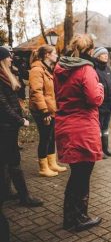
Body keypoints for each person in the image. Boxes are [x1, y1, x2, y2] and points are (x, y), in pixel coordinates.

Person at [54, 34, 104, 231]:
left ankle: (71, 217)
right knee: (82, 174)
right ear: (91, 50)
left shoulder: (60, 67)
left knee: (77, 173)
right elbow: (94, 99)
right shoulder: (86, 69)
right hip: (83, 127)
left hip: (66, 125)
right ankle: (77, 218)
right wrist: (100, 87)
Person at [0, 46, 43, 208]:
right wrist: (20, 120)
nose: (11, 59)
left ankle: (6, 192)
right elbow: (3, 105)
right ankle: (25, 197)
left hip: (8, 126)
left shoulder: (5, 75)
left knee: (5, 160)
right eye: (8, 57)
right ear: (2, 60)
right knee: (13, 160)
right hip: (6, 126)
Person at [29, 45, 67, 177]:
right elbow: (36, 92)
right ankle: (43, 167)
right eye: (54, 53)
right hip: (42, 110)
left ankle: (52, 163)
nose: (56, 55)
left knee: (52, 137)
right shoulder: (37, 70)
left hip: (50, 109)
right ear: (47, 55)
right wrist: (44, 111)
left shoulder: (48, 69)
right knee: (45, 137)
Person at [93, 47, 111, 158]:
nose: (106, 56)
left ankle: (106, 149)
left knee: (105, 127)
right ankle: (99, 150)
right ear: (98, 56)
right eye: (103, 54)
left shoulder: (107, 68)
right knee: (98, 127)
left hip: (109, 102)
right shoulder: (94, 68)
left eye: (107, 54)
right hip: (100, 104)